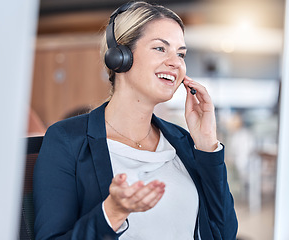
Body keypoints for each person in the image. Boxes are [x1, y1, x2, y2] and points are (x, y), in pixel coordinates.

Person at [33, 2, 238, 240]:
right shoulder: (67, 140)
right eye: (160, 49)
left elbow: (224, 234)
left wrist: (207, 145)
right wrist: (111, 214)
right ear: (120, 56)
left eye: (181, 54)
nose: (176, 62)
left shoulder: (183, 141)